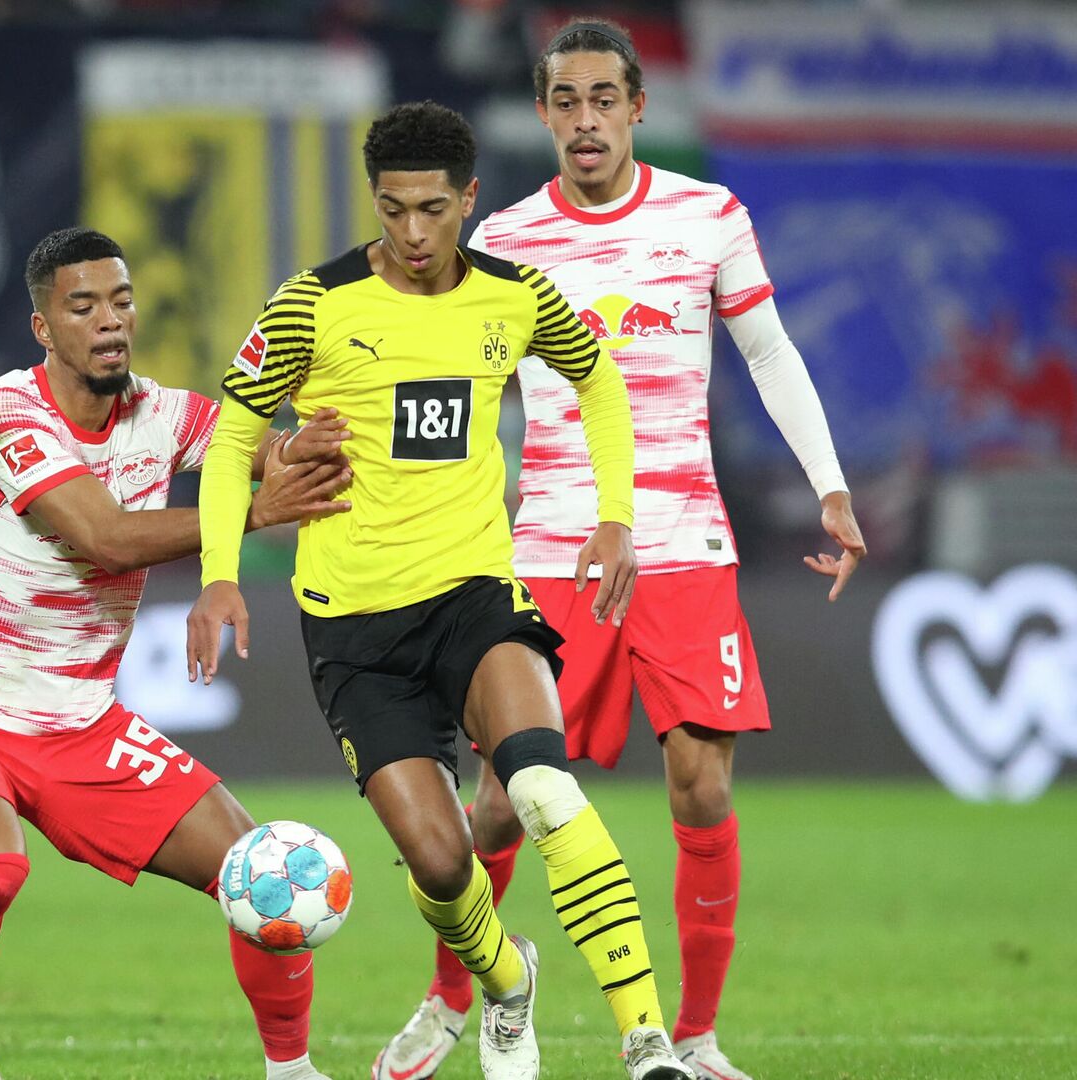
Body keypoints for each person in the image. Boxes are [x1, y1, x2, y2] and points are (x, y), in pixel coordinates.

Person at [374, 22, 867, 1080]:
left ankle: (696, 1038)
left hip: (686, 544)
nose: (586, 119)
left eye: (605, 98)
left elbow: (768, 352)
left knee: (703, 788)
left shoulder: (708, 217)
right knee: (501, 799)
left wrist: (830, 485)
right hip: (551, 548)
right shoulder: (504, 241)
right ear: (545, 113)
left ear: (637, 108)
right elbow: (455, 389)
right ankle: (454, 997)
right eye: (566, 100)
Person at [189, 102, 695, 1080]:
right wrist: (218, 576)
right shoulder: (312, 304)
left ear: (469, 199)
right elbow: (232, 444)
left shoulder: (517, 297)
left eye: (431, 209)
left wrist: (616, 513)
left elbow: (597, 380)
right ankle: (507, 985)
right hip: (353, 626)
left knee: (543, 789)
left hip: (474, 594)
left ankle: (648, 1040)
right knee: (440, 862)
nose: (413, 234)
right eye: (392, 211)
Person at [0, 227, 353, 1080]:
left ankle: (293, 1072)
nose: (110, 321)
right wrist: (255, 513)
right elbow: (105, 538)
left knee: (262, 878)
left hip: (82, 725)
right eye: (83, 306)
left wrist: (313, 444)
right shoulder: (3, 417)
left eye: (122, 300)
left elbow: (257, 448)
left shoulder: (162, 414)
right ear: (43, 328)